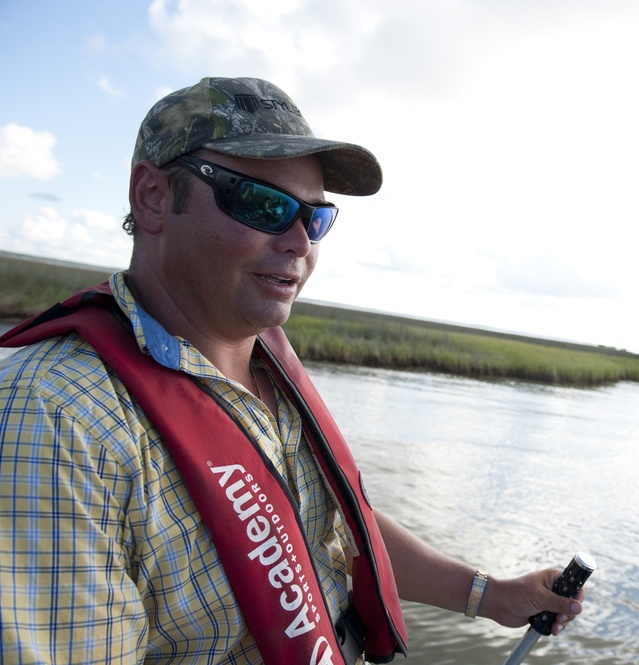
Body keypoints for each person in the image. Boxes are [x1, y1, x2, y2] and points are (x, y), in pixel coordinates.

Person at [0, 76, 584, 664]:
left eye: (316, 217)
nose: (301, 242)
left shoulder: (266, 365)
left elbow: (326, 523)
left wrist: (489, 595)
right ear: (153, 197)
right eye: (264, 205)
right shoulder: (56, 421)